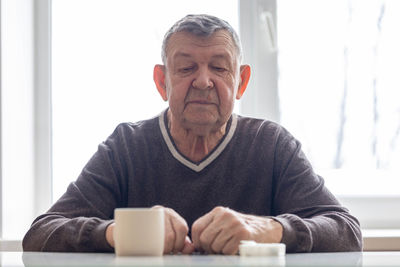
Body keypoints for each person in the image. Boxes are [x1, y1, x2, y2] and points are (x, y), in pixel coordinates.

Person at [23, 14, 362, 254]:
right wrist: (118, 232)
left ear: (240, 81)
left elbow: (347, 232)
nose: (203, 81)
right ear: (162, 81)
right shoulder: (125, 148)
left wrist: (268, 230)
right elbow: (40, 233)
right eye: (186, 68)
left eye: (219, 67)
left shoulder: (271, 145)